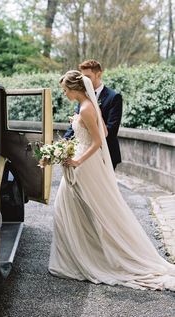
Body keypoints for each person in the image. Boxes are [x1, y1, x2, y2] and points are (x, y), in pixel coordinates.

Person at [48, 70, 175, 291]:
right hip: (83, 160)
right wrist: (78, 123)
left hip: (86, 166)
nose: (64, 93)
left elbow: (98, 141)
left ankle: (90, 257)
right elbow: (104, 130)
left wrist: (78, 160)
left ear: (75, 88)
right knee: (73, 209)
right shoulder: (86, 106)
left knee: (88, 210)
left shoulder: (87, 107)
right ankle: (83, 253)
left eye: (65, 89)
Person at [64, 59, 122, 170]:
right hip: (84, 152)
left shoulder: (114, 97)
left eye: (88, 77)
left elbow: (112, 129)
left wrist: (88, 125)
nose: (84, 81)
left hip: (106, 153)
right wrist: (64, 143)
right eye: (82, 77)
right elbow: (76, 125)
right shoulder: (82, 95)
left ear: (98, 74)